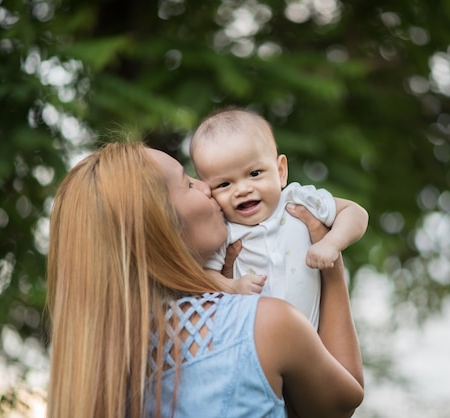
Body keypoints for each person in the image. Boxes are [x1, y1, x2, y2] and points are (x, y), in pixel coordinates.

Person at [45, 140, 364, 418]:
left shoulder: (99, 368)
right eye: (187, 183)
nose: (207, 186)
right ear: (160, 229)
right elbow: (343, 402)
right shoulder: (263, 324)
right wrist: (329, 267)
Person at [190, 108, 369, 328]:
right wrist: (233, 287)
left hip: (313, 344)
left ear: (281, 171)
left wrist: (331, 243)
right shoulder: (223, 232)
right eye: (224, 184)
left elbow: (355, 213)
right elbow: (205, 276)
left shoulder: (298, 200)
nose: (243, 189)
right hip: (260, 349)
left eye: (254, 174)